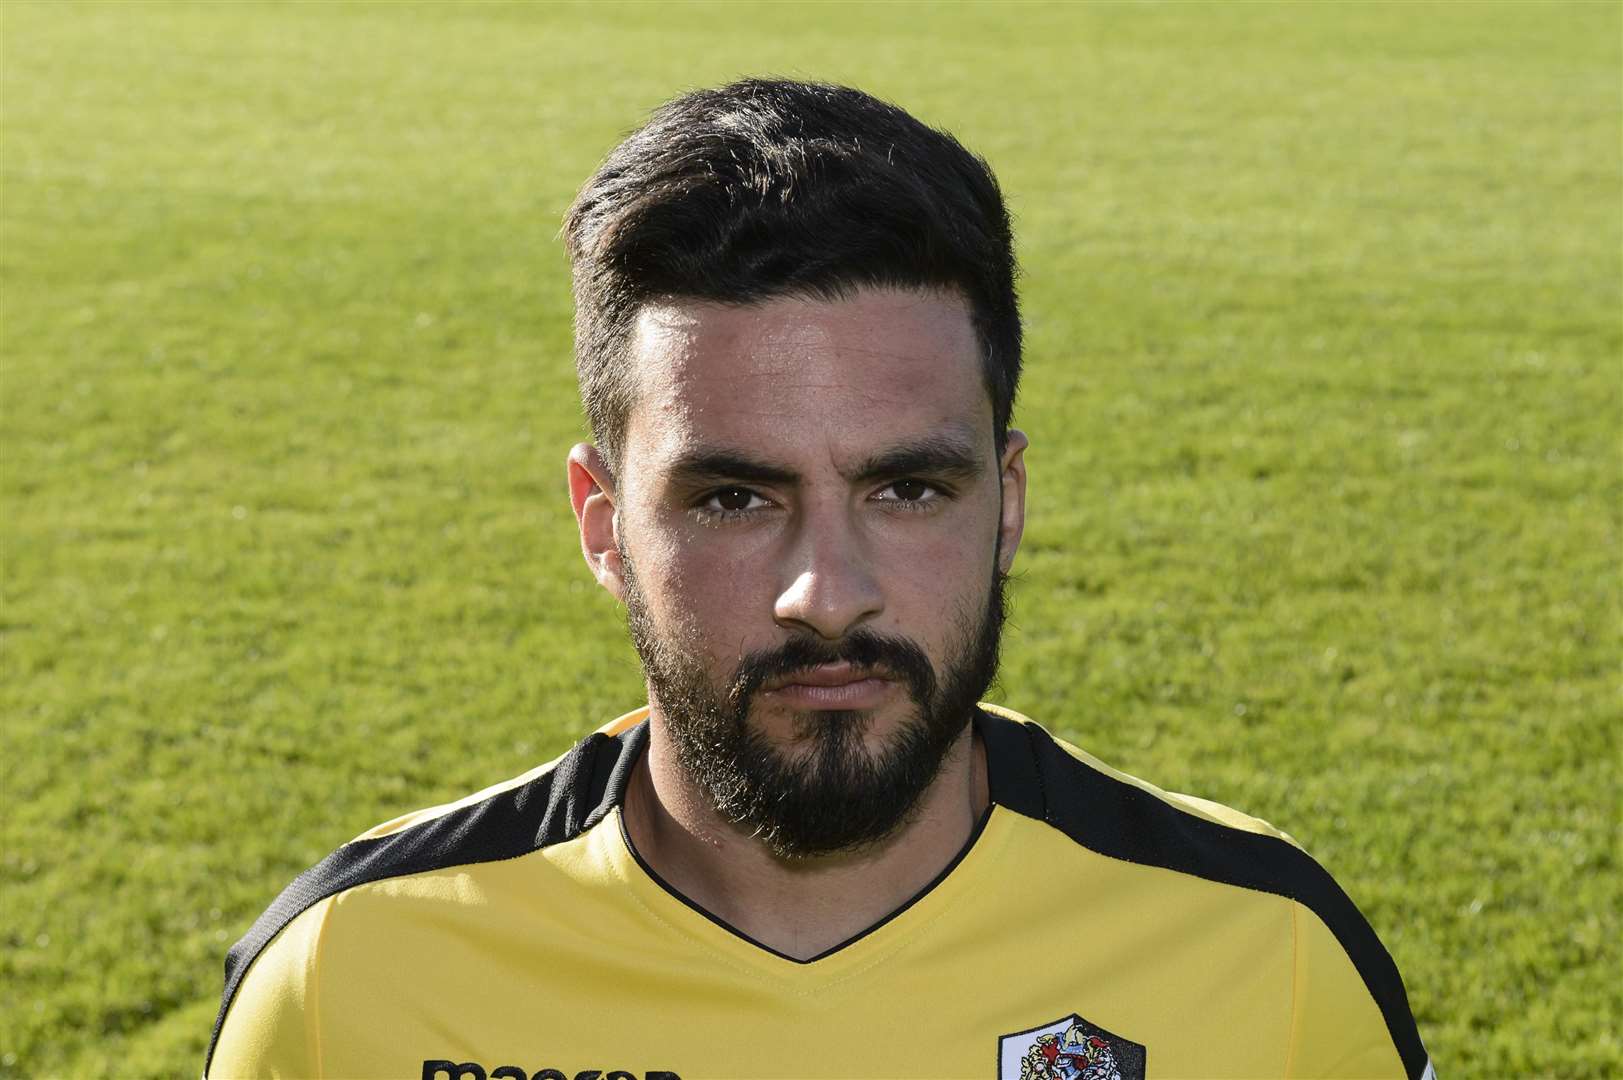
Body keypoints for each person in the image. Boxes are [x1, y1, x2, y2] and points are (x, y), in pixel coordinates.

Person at [205, 79, 1433, 1080]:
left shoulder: (1266, 957)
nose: (827, 594)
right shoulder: (352, 978)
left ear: (1005, 505)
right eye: (735, 498)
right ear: (603, 525)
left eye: (907, 490)